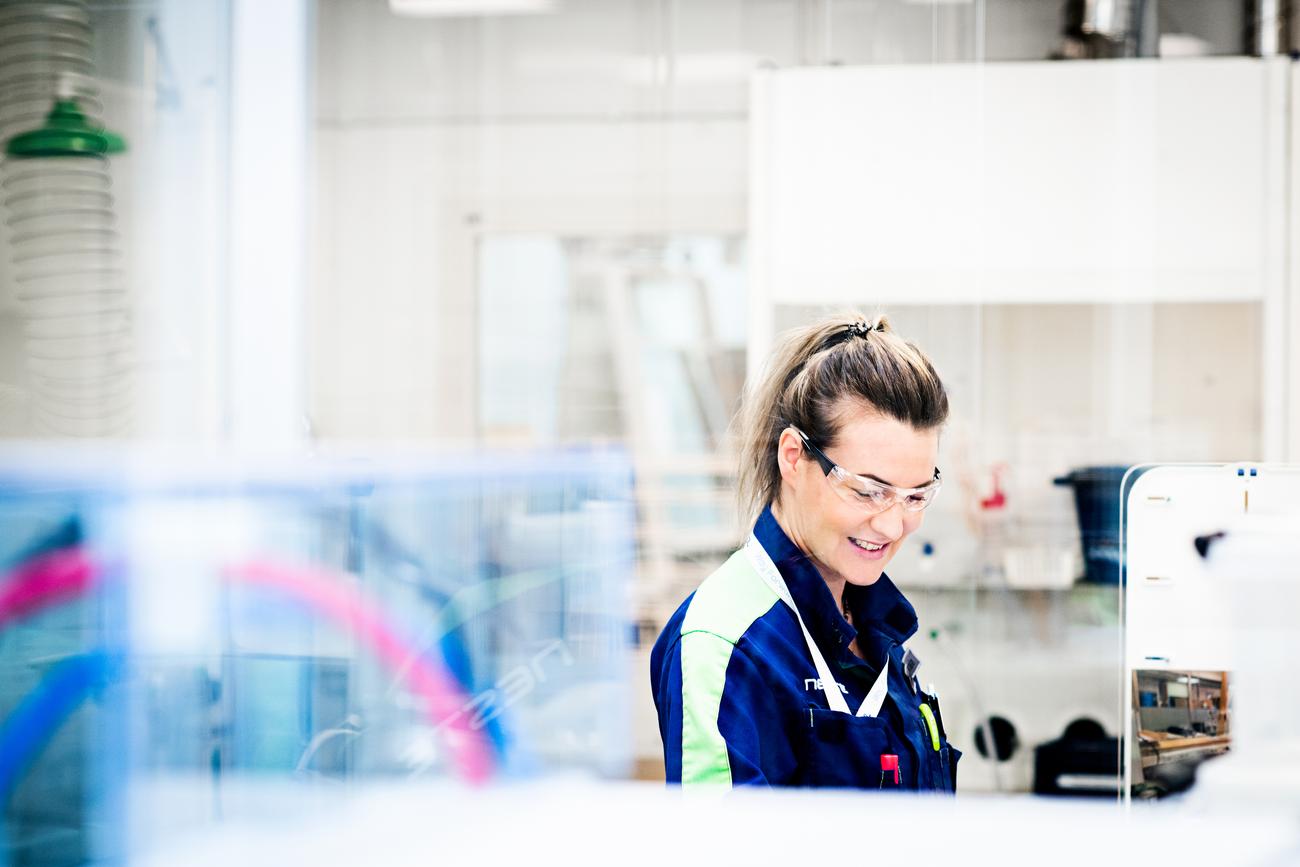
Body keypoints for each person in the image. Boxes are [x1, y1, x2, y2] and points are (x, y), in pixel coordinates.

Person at [649, 313, 959, 789]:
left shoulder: (873, 622)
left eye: (915, 496)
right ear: (793, 457)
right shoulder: (725, 645)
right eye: (868, 491)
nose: (893, 525)